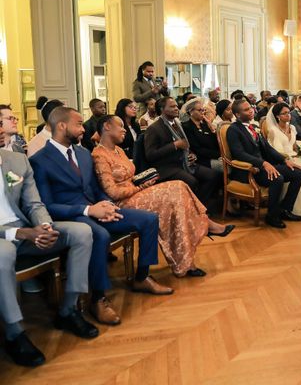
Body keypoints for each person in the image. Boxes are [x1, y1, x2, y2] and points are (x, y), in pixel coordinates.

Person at [30, 107, 172, 328]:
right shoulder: (40, 160)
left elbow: (95, 189)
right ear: (62, 126)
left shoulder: (83, 153)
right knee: (100, 235)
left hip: (97, 207)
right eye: (78, 124)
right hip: (73, 216)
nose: (84, 129)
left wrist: (106, 204)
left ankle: (142, 277)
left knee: (149, 219)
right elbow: (47, 205)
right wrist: (88, 211)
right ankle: (98, 298)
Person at [92, 115, 234, 278]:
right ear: (107, 127)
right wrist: (139, 186)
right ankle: (205, 227)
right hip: (123, 203)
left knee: (179, 187)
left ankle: (188, 256)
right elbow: (113, 192)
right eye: (120, 125)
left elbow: (130, 177)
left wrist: (142, 180)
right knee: (176, 194)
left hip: (136, 192)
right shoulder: (99, 155)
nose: (124, 129)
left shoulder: (118, 150)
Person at [0, 129, 96, 367]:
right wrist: (19, 233)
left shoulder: (17, 159)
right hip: (5, 238)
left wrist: (44, 227)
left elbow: (34, 203)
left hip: (27, 230)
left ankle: (68, 310)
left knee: (82, 232)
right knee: (5, 251)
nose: (2, 130)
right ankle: (14, 333)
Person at [227, 99, 301, 229]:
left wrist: (284, 160)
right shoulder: (233, 130)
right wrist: (263, 163)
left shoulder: (255, 127)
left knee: (298, 173)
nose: (251, 110)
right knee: (277, 178)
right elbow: (239, 153)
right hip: (249, 170)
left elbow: (268, 148)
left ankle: (285, 209)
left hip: (263, 166)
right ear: (237, 114)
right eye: (246, 109)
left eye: (250, 107)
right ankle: (272, 215)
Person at [144, 97, 222, 213]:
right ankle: (194, 210)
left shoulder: (177, 124)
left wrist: (191, 154)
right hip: (167, 167)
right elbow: (150, 155)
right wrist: (174, 145)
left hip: (184, 163)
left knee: (213, 175)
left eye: (176, 106)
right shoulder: (154, 128)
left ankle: (198, 207)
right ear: (162, 109)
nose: (176, 108)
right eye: (172, 106)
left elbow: (186, 146)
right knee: (192, 181)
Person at [182, 99, 222, 171]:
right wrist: (219, 155)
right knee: (225, 166)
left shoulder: (205, 124)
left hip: (214, 155)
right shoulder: (187, 127)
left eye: (203, 110)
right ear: (191, 112)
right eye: (199, 110)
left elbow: (215, 143)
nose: (202, 113)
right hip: (201, 159)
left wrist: (212, 130)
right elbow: (197, 149)